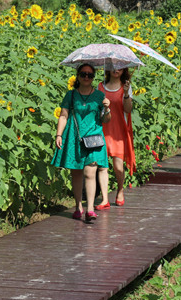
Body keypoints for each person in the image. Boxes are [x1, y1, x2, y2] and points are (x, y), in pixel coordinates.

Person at [52, 63, 111, 223]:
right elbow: (63, 115)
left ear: (93, 78)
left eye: (90, 75)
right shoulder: (71, 95)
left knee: (90, 172)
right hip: (74, 137)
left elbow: (105, 120)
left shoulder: (100, 96)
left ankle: (90, 209)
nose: (86, 77)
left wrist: (107, 109)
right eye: (83, 74)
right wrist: (59, 135)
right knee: (76, 173)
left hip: (94, 138)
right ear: (78, 76)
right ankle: (78, 206)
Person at [95, 67, 136, 210]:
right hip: (102, 128)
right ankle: (105, 199)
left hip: (119, 130)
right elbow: (96, 108)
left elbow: (128, 109)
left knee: (118, 165)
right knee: (102, 165)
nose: (115, 69)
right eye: (113, 66)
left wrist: (125, 94)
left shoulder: (126, 87)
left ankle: (120, 190)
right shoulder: (100, 87)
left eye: (119, 67)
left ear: (124, 70)